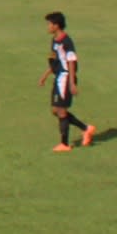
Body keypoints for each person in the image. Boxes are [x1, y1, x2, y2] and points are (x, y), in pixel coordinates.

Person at [46, 11, 93, 150]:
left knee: (61, 110)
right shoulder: (55, 40)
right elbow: (55, 60)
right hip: (58, 77)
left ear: (56, 25)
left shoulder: (67, 41)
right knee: (56, 110)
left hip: (66, 78)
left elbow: (71, 61)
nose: (48, 27)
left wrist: (72, 82)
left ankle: (64, 144)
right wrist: (46, 74)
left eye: (50, 24)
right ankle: (86, 128)